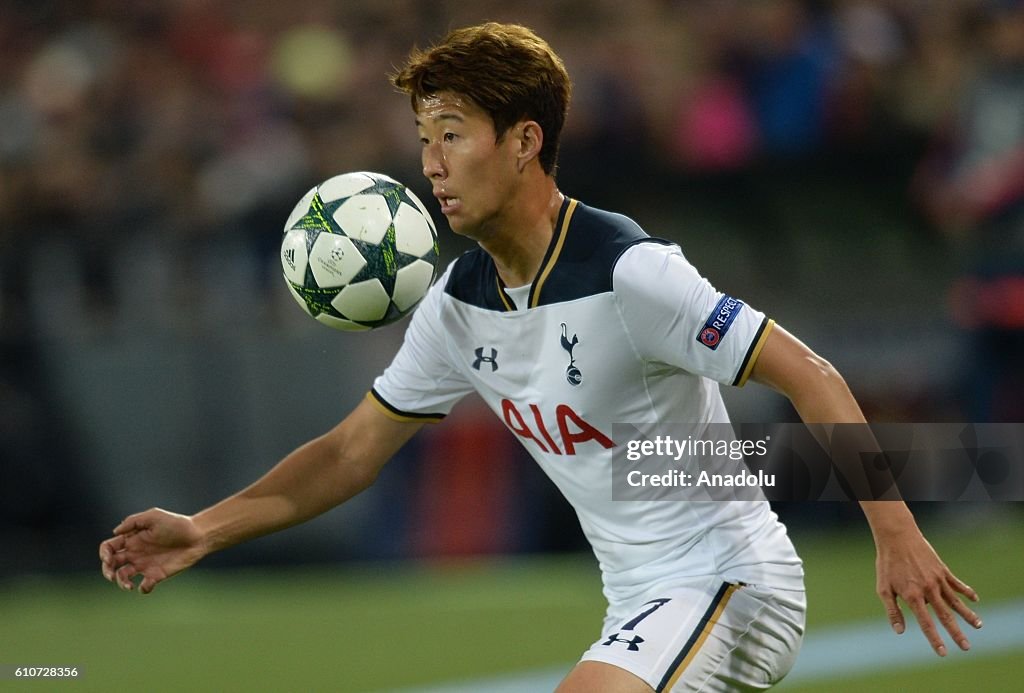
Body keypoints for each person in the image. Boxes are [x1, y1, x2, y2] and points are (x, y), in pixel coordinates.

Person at [100, 23, 982, 692]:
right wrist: (205, 527)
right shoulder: (457, 304)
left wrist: (897, 536)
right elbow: (349, 451)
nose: (431, 164)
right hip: (637, 602)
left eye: (453, 133)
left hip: (730, 583)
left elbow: (810, 373)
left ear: (524, 141)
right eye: (422, 138)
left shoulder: (630, 271)